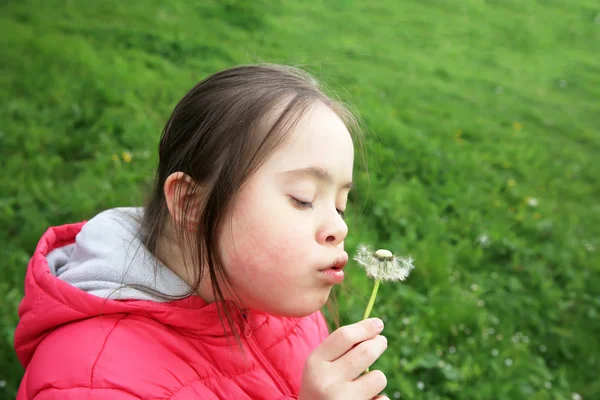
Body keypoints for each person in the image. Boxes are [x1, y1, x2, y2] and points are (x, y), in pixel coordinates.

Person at [14, 64, 389, 400]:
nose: (339, 226)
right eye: (303, 199)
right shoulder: (94, 382)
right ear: (192, 204)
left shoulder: (284, 303)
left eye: (340, 205)